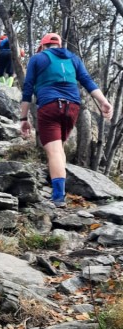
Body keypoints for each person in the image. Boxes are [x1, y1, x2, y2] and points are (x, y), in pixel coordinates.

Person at [20, 33, 113, 208]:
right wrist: (104, 102)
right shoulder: (73, 58)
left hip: (49, 106)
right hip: (72, 108)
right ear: (59, 45)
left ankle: (58, 197)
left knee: (54, 151)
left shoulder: (38, 58)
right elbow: (87, 81)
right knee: (59, 146)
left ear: (43, 45)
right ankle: (60, 192)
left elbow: (28, 88)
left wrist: (23, 118)